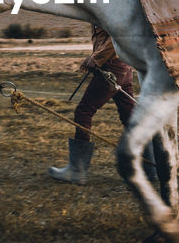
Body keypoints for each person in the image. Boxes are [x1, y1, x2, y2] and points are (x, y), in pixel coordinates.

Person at [48, 25, 146, 185]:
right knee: (131, 118)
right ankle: (150, 168)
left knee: (83, 112)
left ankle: (77, 171)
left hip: (112, 66)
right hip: (123, 66)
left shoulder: (106, 5)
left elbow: (117, 35)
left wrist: (96, 58)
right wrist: (95, 57)